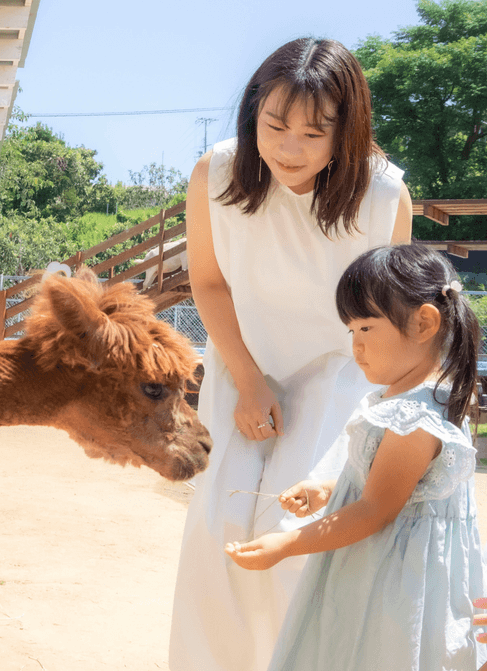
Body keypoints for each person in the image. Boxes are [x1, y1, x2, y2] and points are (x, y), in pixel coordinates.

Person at [168, 37, 412, 671]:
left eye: (313, 133)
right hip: (244, 364)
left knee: (301, 541)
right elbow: (209, 282)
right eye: (274, 127)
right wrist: (248, 380)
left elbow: (393, 319)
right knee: (219, 531)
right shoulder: (217, 173)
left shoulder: (383, 195)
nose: (289, 149)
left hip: (341, 375)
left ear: (346, 132)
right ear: (253, 115)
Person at [225, 244, 486, 670]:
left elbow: (376, 510)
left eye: (366, 327)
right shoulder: (416, 399)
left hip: (393, 586)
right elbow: (402, 487)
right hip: (391, 571)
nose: (356, 345)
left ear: (424, 323)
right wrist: (329, 489)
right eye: (351, 331)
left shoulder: (414, 416)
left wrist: (286, 544)